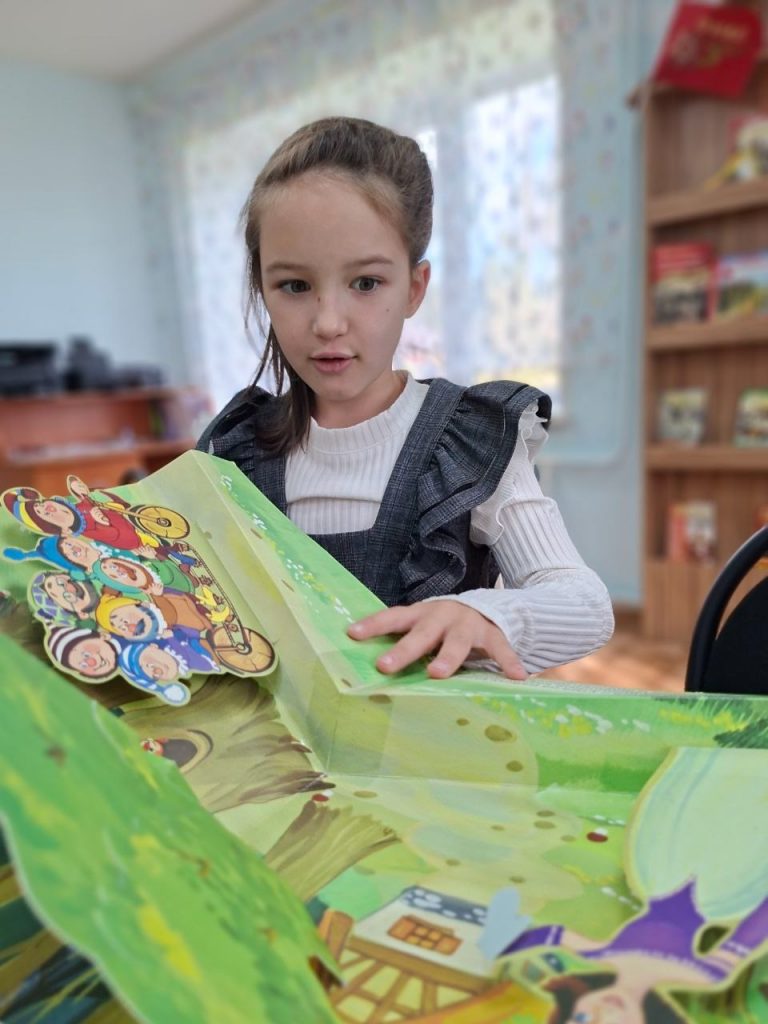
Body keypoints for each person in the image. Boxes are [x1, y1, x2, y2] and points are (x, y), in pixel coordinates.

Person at [197, 116, 614, 680]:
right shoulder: (234, 452)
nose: (328, 322)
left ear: (414, 288)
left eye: (366, 283)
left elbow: (586, 605)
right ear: (263, 289)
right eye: (294, 285)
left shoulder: (468, 443)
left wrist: (485, 616)